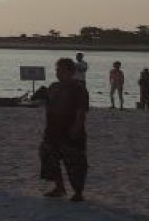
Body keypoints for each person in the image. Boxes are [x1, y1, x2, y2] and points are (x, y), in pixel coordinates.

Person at [40, 57, 89, 203]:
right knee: (49, 158)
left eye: (61, 70)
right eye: (57, 70)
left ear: (70, 72)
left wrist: (76, 128)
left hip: (71, 131)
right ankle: (59, 187)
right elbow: (48, 105)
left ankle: (78, 192)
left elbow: (82, 111)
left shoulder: (78, 88)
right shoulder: (54, 87)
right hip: (52, 130)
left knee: (75, 163)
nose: (58, 72)